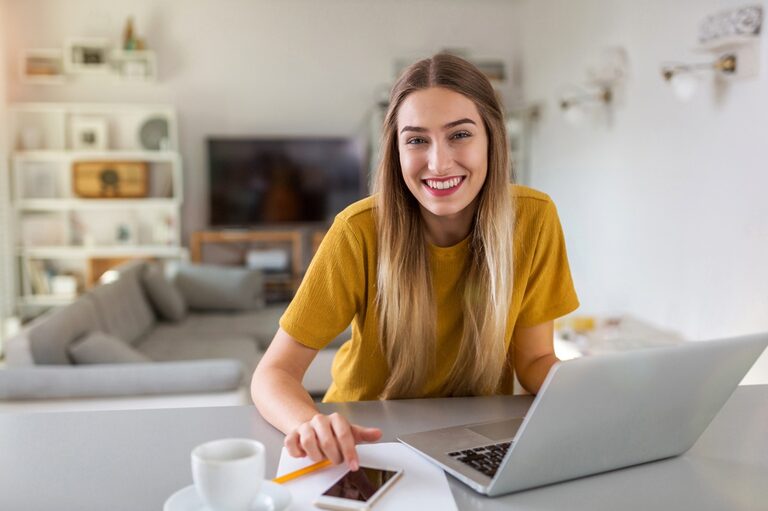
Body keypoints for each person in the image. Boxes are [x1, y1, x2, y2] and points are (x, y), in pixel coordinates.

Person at [251, 53, 579, 473]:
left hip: (474, 440)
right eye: (417, 139)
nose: (439, 162)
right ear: (396, 150)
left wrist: (585, 395)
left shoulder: (534, 219)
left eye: (460, 134)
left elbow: (534, 361)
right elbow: (272, 373)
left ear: (492, 138)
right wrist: (311, 423)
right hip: (363, 444)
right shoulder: (358, 231)